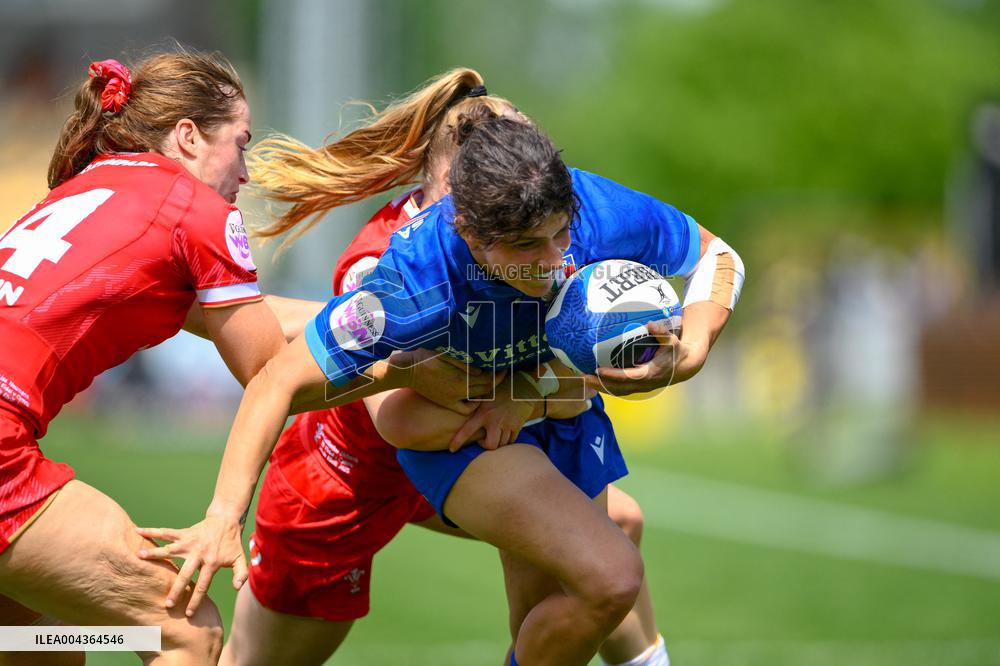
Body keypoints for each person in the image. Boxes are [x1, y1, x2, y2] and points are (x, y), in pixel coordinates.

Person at [148, 83, 744, 666]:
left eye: (559, 232)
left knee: (613, 546)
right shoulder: (400, 272)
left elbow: (714, 256)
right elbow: (396, 415)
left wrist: (682, 350)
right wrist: (223, 515)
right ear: (456, 199)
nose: (556, 258)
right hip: (352, 474)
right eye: (524, 242)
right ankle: (91, 642)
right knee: (240, 656)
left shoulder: (569, 208)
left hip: (473, 440)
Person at [0, 48, 409, 665]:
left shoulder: (93, 185)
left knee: (40, 639)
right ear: (187, 136)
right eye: (242, 144)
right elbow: (275, 376)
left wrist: (385, 322)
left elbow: (244, 317)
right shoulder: (197, 212)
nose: (245, 171)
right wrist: (409, 367)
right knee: (187, 630)